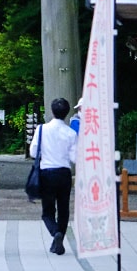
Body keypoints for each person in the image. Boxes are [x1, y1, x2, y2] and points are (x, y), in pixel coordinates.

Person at [29, 97, 77, 255]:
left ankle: (55, 231)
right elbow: (75, 158)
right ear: (67, 112)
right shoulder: (71, 133)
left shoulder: (41, 129)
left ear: (52, 110)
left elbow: (33, 152)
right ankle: (59, 239)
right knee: (64, 209)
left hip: (47, 172)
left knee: (48, 210)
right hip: (64, 173)